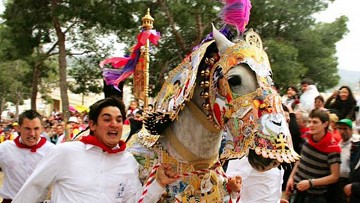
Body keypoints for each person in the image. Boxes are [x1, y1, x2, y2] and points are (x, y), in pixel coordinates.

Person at [12, 97, 180, 203]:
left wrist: (158, 184)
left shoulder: (128, 162)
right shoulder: (64, 152)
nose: (114, 124)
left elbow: (134, 201)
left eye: (119, 120)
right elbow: (33, 189)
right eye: (107, 119)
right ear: (92, 124)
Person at [286, 109, 341, 203]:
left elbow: (334, 176)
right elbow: (300, 160)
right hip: (297, 190)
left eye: (315, 122)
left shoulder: (333, 148)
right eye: (309, 121)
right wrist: (291, 178)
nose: (311, 125)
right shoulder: (306, 138)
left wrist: (311, 183)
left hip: (315, 196)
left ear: (325, 124)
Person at [0, 110, 55, 202]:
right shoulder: (4, 148)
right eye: (27, 129)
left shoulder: (52, 151)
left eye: (36, 129)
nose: (32, 134)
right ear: (18, 128)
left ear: (42, 128)